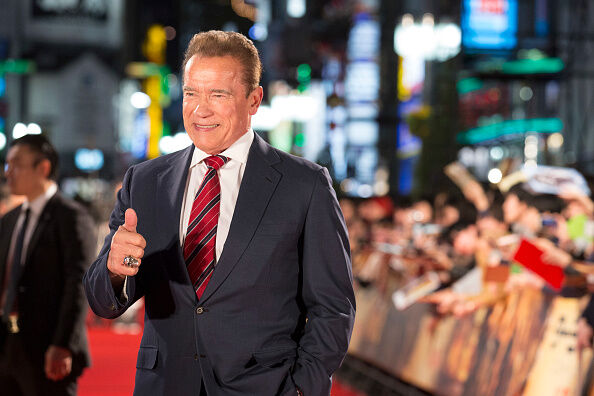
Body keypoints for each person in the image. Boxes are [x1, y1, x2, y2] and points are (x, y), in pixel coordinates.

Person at [84, 30, 355, 395]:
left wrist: (302, 388)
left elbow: (332, 307)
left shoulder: (304, 185)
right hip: (164, 386)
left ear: (254, 100)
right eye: (192, 93)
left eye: (218, 95)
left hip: (264, 387)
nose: (200, 109)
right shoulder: (145, 181)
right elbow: (102, 301)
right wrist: (115, 271)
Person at [0, 134, 95, 395]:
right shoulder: (9, 220)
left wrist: (63, 344)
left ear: (42, 168)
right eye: (7, 164)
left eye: (16, 164)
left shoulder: (72, 217)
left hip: (49, 350)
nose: (8, 172)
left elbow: (78, 284)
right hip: (7, 346)